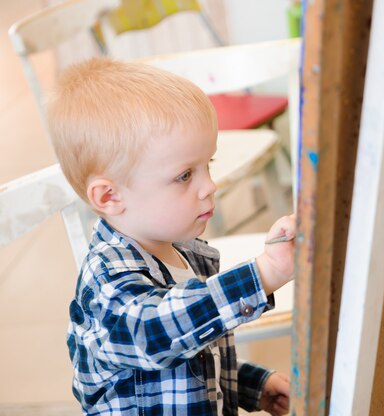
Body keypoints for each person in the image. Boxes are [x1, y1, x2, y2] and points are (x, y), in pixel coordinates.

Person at [47, 58, 295, 415]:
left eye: (207, 165)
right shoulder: (106, 287)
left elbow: (192, 356)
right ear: (109, 197)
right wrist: (264, 275)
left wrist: (251, 385)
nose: (209, 186)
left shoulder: (185, 252)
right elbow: (159, 333)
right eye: (184, 176)